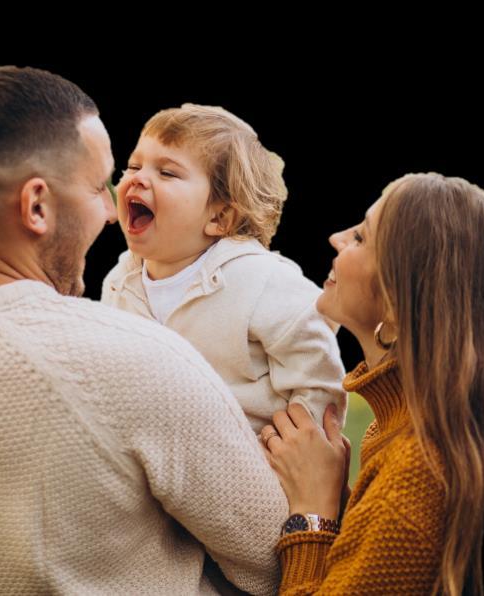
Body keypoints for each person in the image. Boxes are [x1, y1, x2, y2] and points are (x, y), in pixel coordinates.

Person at [0, 66, 288, 595]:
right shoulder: (138, 362)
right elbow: (276, 564)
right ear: (37, 206)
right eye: (99, 188)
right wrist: (319, 503)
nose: (111, 212)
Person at [261, 173, 484, 595]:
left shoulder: (415, 477)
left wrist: (313, 512)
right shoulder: (421, 430)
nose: (335, 238)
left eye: (360, 238)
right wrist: (342, 503)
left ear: (396, 310)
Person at [102, 103, 347, 434]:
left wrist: (297, 446)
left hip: (247, 456)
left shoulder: (260, 279)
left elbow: (316, 368)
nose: (138, 178)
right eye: (133, 166)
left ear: (219, 217)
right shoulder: (119, 283)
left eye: (167, 173)